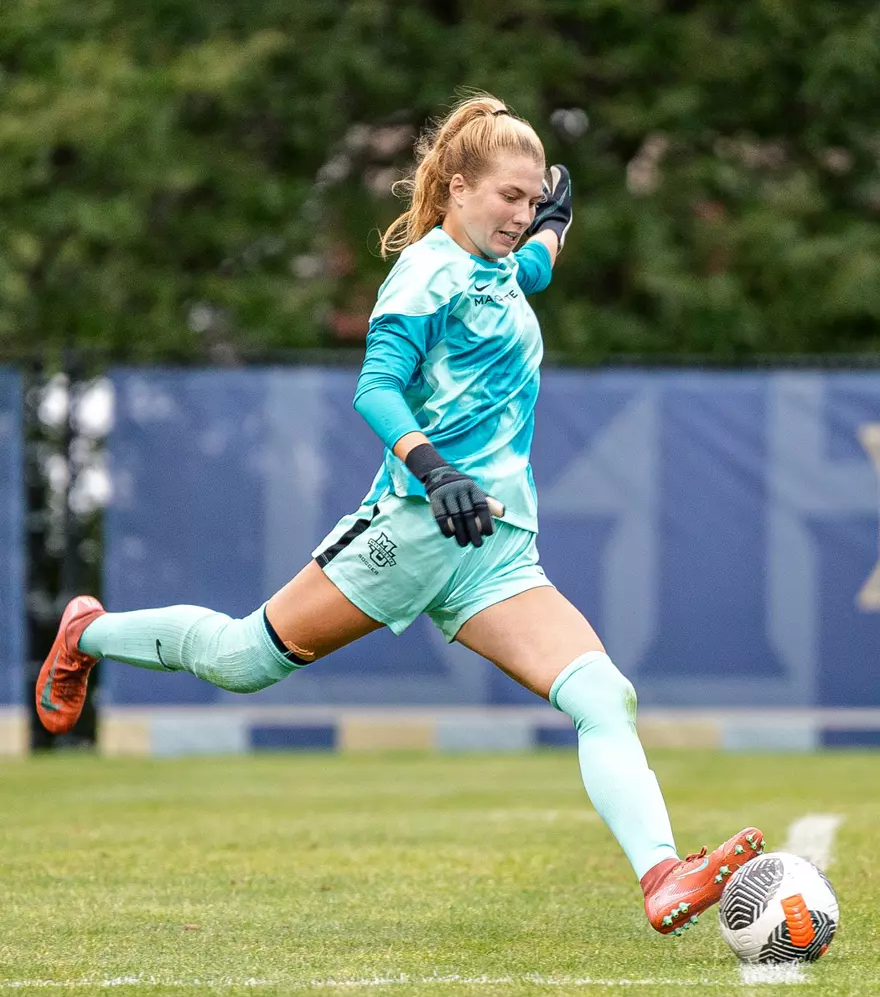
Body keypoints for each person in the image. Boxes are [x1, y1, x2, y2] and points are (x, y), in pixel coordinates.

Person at [36, 93, 763, 935]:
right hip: (415, 525)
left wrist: (554, 228)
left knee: (606, 696)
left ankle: (662, 875)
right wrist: (434, 468)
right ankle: (86, 632)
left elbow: (533, 268)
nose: (521, 216)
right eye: (508, 199)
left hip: (493, 551)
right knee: (242, 660)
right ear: (456, 188)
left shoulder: (502, 264)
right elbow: (375, 387)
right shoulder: (423, 274)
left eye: (533, 201)